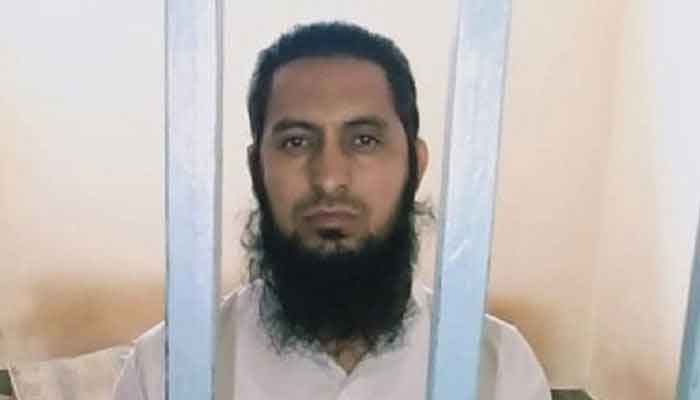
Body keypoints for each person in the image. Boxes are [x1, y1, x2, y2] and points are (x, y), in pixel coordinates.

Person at [113, 21, 551, 400]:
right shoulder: (163, 369)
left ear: (415, 165)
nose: (328, 177)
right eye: (296, 142)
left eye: (364, 140)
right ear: (256, 169)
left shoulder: (500, 368)